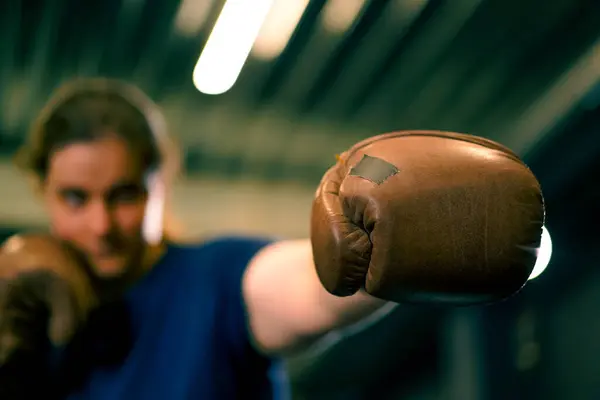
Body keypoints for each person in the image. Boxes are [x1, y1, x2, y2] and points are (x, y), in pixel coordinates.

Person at [0, 78, 545, 399]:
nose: (101, 224)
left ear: (160, 182)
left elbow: (303, 287)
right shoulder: (22, 309)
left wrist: (383, 240)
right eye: (75, 198)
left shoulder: (212, 278)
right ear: (41, 188)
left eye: (123, 196)